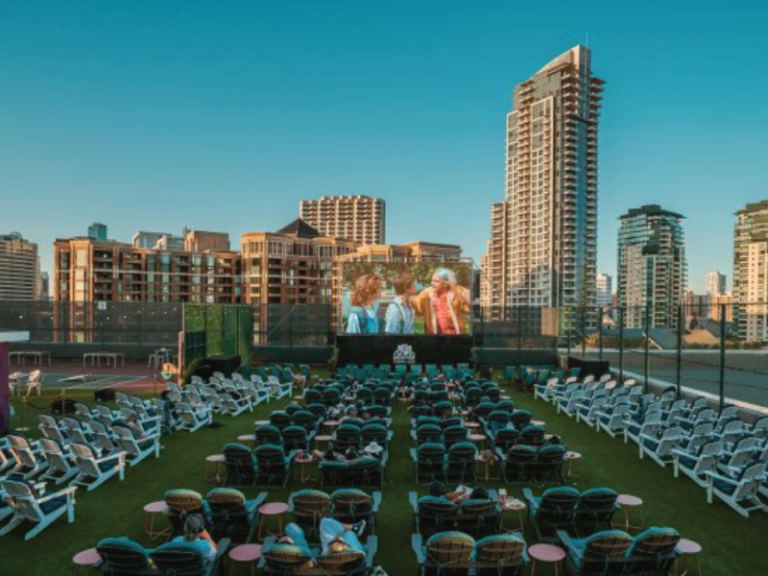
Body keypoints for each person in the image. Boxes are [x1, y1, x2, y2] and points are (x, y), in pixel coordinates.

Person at [412, 268, 471, 335]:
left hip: (456, 337)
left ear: (445, 284)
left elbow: (472, 301)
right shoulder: (426, 294)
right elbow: (414, 306)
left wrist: (456, 289)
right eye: (432, 280)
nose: (432, 283)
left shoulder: (456, 292)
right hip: (434, 338)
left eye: (436, 281)